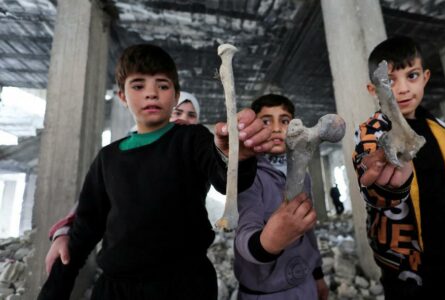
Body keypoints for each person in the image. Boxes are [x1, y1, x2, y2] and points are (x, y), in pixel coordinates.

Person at [38, 44, 273, 300]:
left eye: (162, 85)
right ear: (122, 97)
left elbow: (225, 179)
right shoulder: (108, 158)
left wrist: (236, 157)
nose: (151, 93)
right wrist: (53, 291)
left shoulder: (191, 139)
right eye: (138, 86)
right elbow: (86, 226)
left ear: (175, 96)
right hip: (117, 289)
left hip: (185, 286)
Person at [352, 36, 445, 300]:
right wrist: (384, 185)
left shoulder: (438, 128)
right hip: (406, 263)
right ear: (374, 90)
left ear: (425, 77)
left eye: (412, 75)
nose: (404, 89)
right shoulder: (371, 134)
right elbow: (374, 189)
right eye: (390, 81)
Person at [44, 91, 202, 274]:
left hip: (177, 270)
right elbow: (92, 203)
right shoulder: (124, 154)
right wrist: (64, 233)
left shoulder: (196, 159)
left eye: (192, 115)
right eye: (177, 112)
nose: (184, 119)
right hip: (128, 268)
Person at [234, 94, 329, 300]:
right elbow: (244, 230)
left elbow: (308, 231)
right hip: (265, 293)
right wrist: (267, 244)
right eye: (266, 121)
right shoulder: (249, 175)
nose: (277, 128)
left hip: (305, 286)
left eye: (285, 121)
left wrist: (317, 276)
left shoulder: (303, 175)